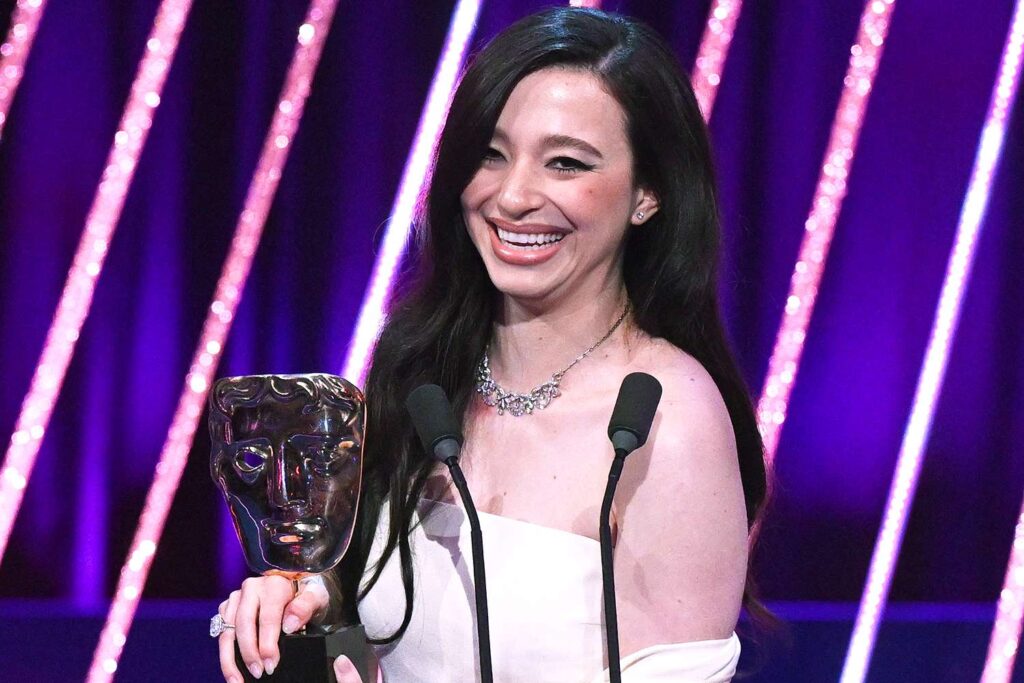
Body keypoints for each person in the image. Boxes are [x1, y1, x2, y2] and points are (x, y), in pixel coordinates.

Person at [217, 7, 768, 682]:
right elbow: (378, 614)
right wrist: (302, 606)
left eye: (566, 163)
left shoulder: (666, 421)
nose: (512, 196)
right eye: (490, 154)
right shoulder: (421, 367)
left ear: (648, 193)